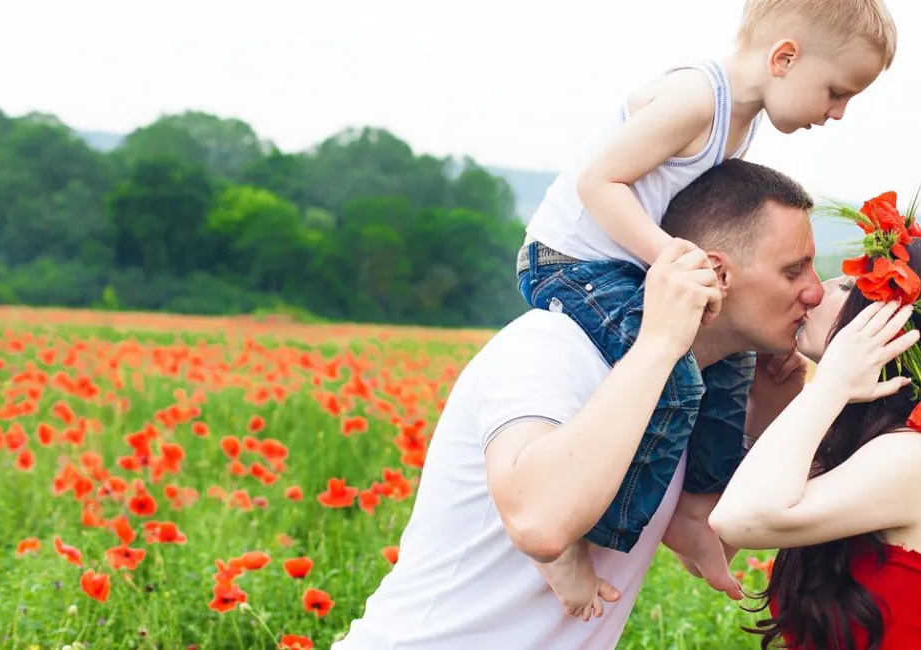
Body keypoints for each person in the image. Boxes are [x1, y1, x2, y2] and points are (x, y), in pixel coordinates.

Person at [333, 160, 823, 649]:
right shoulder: (552, 345)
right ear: (715, 272)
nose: (815, 291)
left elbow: (710, 546)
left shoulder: (698, 389)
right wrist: (657, 343)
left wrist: (768, 416)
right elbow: (539, 524)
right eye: (793, 270)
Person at [516, 0, 897, 617]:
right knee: (673, 375)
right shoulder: (699, 99)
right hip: (574, 263)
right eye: (835, 91)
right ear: (784, 58)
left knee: (732, 365)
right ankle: (578, 536)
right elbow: (598, 183)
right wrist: (674, 257)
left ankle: (695, 510)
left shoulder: (740, 123)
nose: (838, 112)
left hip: (634, 265)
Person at [709, 193, 921, 650]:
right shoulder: (876, 443)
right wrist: (778, 413)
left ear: (893, 327)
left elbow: (738, 520)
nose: (820, 288)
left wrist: (826, 388)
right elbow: (710, 549)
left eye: (851, 287)